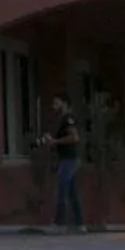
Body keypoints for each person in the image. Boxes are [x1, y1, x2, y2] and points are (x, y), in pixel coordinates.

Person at [46, 95, 83, 230]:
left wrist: (55, 141)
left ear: (64, 103)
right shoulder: (63, 120)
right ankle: (80, 224)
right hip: (66, 158)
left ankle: (59, 223)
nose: (54, 106)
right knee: (72, 192)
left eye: (56, 103)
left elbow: (74, 137)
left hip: (69, 159)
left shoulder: (68, 118)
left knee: (62, 190)